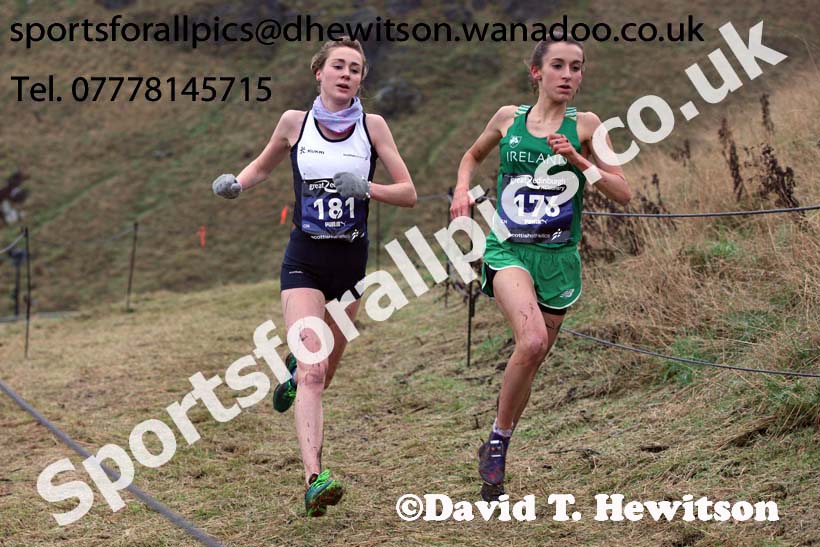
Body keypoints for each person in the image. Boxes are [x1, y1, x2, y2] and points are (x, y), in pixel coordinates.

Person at [212, 37, 416, 516]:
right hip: (303, 260)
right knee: (313, 371)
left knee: (326, 375)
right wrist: (237, 184)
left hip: (350, 266)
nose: (347, 74)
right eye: (338, 66)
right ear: (319, 72)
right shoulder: (294, 123)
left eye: (355, 69)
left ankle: (292, 373)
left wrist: (365, 187)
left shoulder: (373, 127)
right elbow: (264, 165)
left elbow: (408, 193)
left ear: (361, 80)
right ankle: (313, 479)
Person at [450, 35, 632, 501]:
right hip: (509, 249)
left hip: (558, 259)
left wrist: (578, 160)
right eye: (558, 65)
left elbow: (623, 191)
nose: (569, 75)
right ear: (537, 72)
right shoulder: (507, 118)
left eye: (577, 67)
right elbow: (471, 156)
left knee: (533, 357)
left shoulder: (587, 126)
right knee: (531, 341)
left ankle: (499, 437)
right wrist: (462, 190)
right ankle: (498, 445)